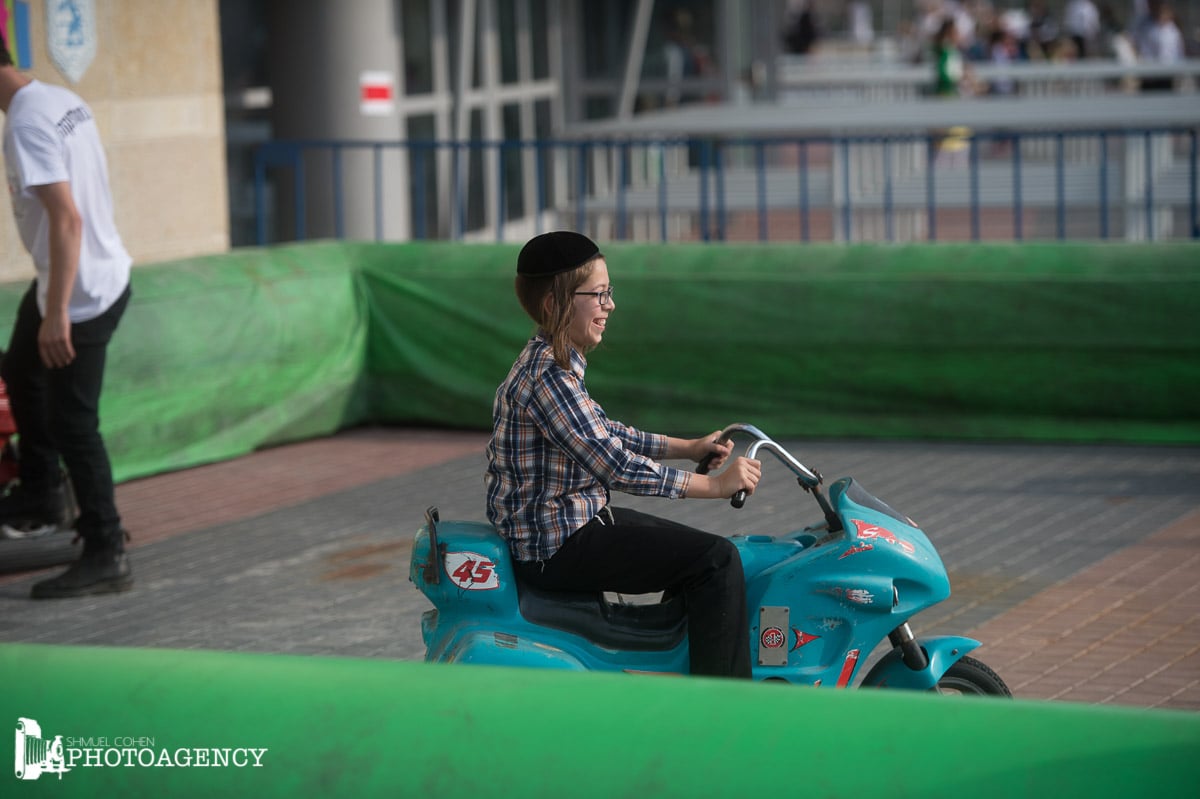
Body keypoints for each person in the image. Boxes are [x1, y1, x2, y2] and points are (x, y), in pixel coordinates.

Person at [485, 231, 761, 678]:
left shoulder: (553, 363)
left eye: (609, 293)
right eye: (598, 294)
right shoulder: (549, 378)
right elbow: (613, 464)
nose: (610, 305)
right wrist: (713, 485)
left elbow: (605, 433)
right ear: (555, 305)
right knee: (716, 561)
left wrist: (687, 447)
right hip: (556, 546)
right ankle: (724, 709)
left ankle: (684, 670)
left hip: (573, 524)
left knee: (693, 553)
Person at [0, 30, 134, 598]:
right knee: (21, 369)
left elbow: (67, 218)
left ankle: (106, 550)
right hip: (83, 277)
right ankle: (40, 490)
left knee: (75, 424)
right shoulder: (59, 99)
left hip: (81, 297)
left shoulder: (25, 124)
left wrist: (58, 314)